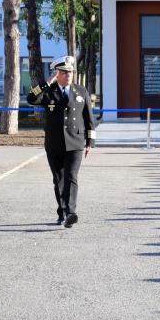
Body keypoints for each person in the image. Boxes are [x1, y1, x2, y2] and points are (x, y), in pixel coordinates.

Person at [27, 55, 96, 227]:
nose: (68, 75)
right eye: (64, 72)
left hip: (76, 142)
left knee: (71, 176)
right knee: (58, 179)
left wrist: (90, 141)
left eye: (70, 72)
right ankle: (62, 211)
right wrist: (46, 82)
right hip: (55, 142)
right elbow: (31, 99)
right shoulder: (48, 92)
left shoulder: (81, 91)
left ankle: (71, 212)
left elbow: (89, 118)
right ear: (57, 74)